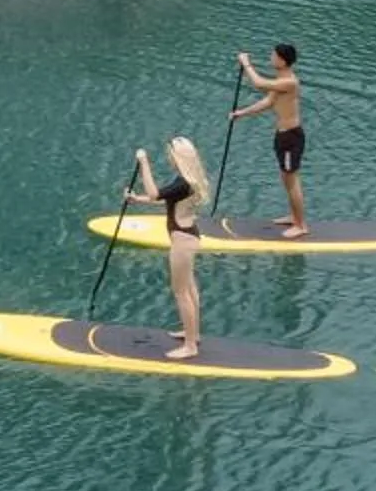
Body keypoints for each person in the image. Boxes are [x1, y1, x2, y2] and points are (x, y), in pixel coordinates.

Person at [119, 136, 213, 359]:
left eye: (171, 155)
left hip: (182, 240)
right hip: (188, 236)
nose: (169, 158)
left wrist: (143, 163)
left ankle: (190, 346)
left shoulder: (183, 182)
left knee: (181, 292)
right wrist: (138, 200)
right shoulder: (188, 180)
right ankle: (193, 334)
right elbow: (164, 197)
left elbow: (155, 192)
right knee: (189, 288)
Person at [232, 44, 310, 239]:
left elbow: (258, 83)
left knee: (292, 181)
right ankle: (293, 216)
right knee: (286, 179)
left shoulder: (290, 82)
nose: (271, 58)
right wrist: (241, 113)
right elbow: (267, 102)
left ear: (283, 61)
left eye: (274, 56)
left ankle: (301, 225)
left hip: (292, 137)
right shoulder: (281, 80)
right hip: (281, 137)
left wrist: (246, 64)